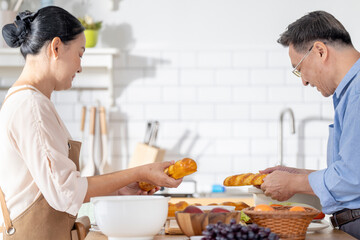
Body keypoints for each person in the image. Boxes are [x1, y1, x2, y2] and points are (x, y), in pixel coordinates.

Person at [0, 6, 182, 240]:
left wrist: (119, 188)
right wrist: (139, 171)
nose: (80, 66)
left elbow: (52, 188)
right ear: (56, 48)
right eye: (80, 53)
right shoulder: (31, 105)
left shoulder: (26, 101)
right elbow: (65, 193)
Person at [259, 10, 360, 239]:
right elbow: (352, 171)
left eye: (299, 68)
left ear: (320, 51)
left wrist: (295, 182)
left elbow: (354, 177)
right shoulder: (348, 93)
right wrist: (297, 175)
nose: (303, 80)